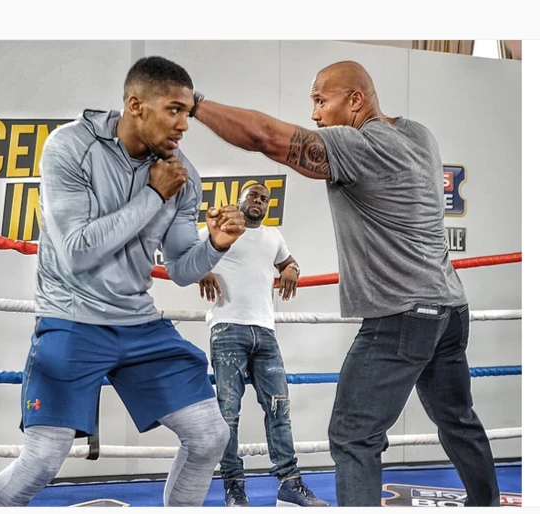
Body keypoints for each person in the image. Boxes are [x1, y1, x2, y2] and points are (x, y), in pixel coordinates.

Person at [186, 60, 500, 507]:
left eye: (320, 100)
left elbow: (268, 139)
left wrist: (196, 105)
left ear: (356, 100)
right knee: (457, 418)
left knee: (353, 436)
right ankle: (486, 504)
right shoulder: (418, 134)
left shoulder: (362, 144)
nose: (315, 114)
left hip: (401, 315)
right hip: (449, 309)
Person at [0, 56, 248, 507]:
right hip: (71, 318)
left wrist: (215, 245)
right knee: (44, 458)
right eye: (174, 110)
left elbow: (182, 268)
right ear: (136, 105)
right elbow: (78, 251)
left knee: (208, 436)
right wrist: (153, 194)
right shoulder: (70, 148)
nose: (184, 124)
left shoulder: (184, 175)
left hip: (137, 322)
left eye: (188, 113)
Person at [197, 183, 330, 507]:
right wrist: (203, 268)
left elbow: (288, 262)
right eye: (253, 196)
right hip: (228, 328)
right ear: (239, 200)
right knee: (228, 413)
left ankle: (290, 483)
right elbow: (184, 257)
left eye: (264, 199)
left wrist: (292, 269)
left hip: (265, 333)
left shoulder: (273, 236)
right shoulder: (215, 228)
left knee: (279, 409)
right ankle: (234, 487)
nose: (259, 201)